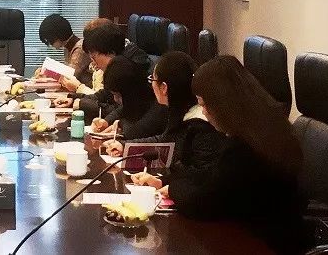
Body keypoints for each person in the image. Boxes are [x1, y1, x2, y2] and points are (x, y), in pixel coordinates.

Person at [133, 55, 308, 253]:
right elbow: (214, 177)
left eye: (203, 104)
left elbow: (204, 203)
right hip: (264, 234)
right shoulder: (269, 126)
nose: (203, 112)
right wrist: (164, 181)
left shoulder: (244, 149)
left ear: (222, 104)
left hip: (264, 244)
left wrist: (174, 189)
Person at [104, 52, 225, 177]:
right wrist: (125, 147)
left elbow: (200, 176)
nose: (151, 84)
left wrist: (165, 184)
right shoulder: (180, 111)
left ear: (164, 87)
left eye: (153, 79)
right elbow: (166, 139)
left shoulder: (200, 125)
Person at [54, 21, 150, 116]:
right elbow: (105, 95)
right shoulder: (120, 61)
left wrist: (82, 103)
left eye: (94, 58)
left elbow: (122, 110)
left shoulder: (132, 68)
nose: (94, 64)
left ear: (110, 52)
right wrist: (74, 98)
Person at [89, 55, 167, 140]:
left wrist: (120, 125)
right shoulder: (140, 94)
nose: (115, 99)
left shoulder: (160, 104)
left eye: (117, 95)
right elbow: (123, 109)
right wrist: (106, 121)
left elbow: (139, 131)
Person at [37, 14, 92, 84]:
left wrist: (47, 72)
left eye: (50, 41)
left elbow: (69, 77)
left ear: (57, 36)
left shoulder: (80, 49)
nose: (50, 44)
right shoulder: (67, 48)